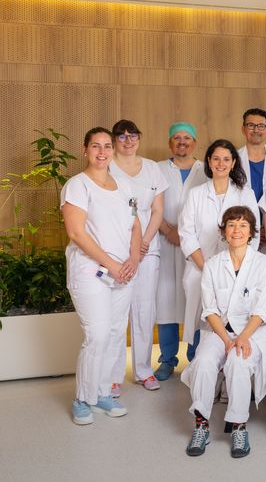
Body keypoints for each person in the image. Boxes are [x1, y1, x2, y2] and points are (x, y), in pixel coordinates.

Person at [62, 127, 141, 425]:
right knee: (97, 335)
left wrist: (133, 259)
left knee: (115, 334)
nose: (102, 151)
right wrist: (112, 265)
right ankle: (83, 398)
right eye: (95, 146)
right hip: (91, 271)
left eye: (107, 146)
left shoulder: (125, 186)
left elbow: (135, 225)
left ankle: (103, 392)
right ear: (85, 150)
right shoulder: (77, 186)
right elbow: (76, 233)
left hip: (124, 272)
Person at [182, 206, 266, 458]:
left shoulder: (264, 264)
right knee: (202, 362)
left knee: (238, 362)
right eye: (231, 225)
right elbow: (210, 308)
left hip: (252, 332)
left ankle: (238, 426)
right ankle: (201, 426)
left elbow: (262, 309)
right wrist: (226, 339)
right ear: (223, 231)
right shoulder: (212, 265)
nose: (237, 230)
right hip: (219, 331)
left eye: (243, 225)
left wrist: (241, 338)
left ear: (252, 232)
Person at [179, 139, 260, 357]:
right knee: (201, 316)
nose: (221, 164)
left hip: (235, 270)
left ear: (233, 163)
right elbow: (186, 233)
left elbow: (253, 232)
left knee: (232, 316)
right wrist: (207, 268)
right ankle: (197, 362)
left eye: (226, 159)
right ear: (208, 162)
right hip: (200, 267)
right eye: (216, 159)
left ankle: (231, 362)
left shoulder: (245, 194)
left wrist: (237, 268)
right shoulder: (196, 194)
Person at [108, 120, 168, 395]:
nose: (128, 140)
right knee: (117, 312)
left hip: (147, 247)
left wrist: (143, 243)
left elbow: (157, 211)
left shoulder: (152, 168)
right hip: (117, 247)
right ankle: (113, 376)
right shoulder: (107, 166)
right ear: (114, 140)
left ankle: (144, 370)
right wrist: (131, 247)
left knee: (144, 310)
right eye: (122, 136)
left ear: (139, 138)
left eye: (133, 135)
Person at [154, 122, 207, 380]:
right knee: (165, 301)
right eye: (177, 138)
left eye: (187, 138)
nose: (182, 142)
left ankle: (196, 357)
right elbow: (148, 204)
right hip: (164, 243)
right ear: (170, 143)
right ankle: (167, 359)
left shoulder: (206, 170)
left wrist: (186, 235)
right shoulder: (157, 169)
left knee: (196, 302)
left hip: (196, 247)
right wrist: (167, 229)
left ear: (194, 143)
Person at [237, 107, 266, 203]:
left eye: (261, 126)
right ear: (243, 129)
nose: (256, 130)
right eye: (251, 125)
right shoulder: (232, 159)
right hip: (242, 211)